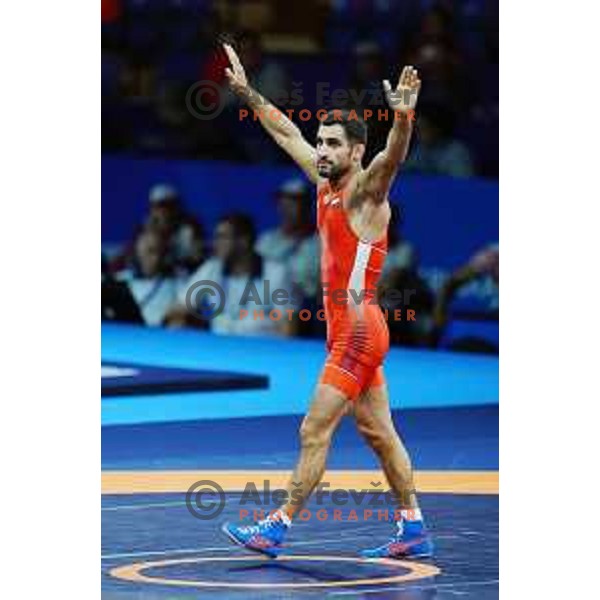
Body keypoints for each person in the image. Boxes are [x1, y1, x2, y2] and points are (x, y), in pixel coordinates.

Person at [220, 42, 433, 559]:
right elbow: (285, 131)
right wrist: (248, 93)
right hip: (348, 330)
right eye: (322, 142)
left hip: (359, 332)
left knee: (313, 428)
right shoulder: (323, 182)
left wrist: (402, 120)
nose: (322, 150)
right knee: (379, 433)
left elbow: (393, 158)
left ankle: (276, 527)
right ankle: (414, 528)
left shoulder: (365, 192)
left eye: (333, 144)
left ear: (356, 151)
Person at [166, 214, 297, 337]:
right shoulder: (212, 268)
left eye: (222, 237)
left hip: (261, 354)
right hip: (219, 353)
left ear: (243, 241)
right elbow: (177, 310)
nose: (215, 243)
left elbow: (288, 329)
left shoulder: (277, 273)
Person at [117, 228, 186, 327]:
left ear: (164, 255)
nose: (144, 256)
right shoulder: (119, 280)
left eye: (151, 251)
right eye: (141, 251)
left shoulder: (177, 286)